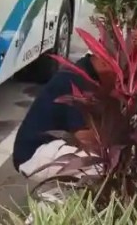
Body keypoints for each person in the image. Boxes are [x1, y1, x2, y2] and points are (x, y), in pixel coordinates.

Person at [12, 52, 112, 184]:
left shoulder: (85, 72)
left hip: (49, 146)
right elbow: (84, 138)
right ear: (105, 62)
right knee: (99, 164)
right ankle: (56, 199)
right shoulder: (77, 80)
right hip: (33, 155)